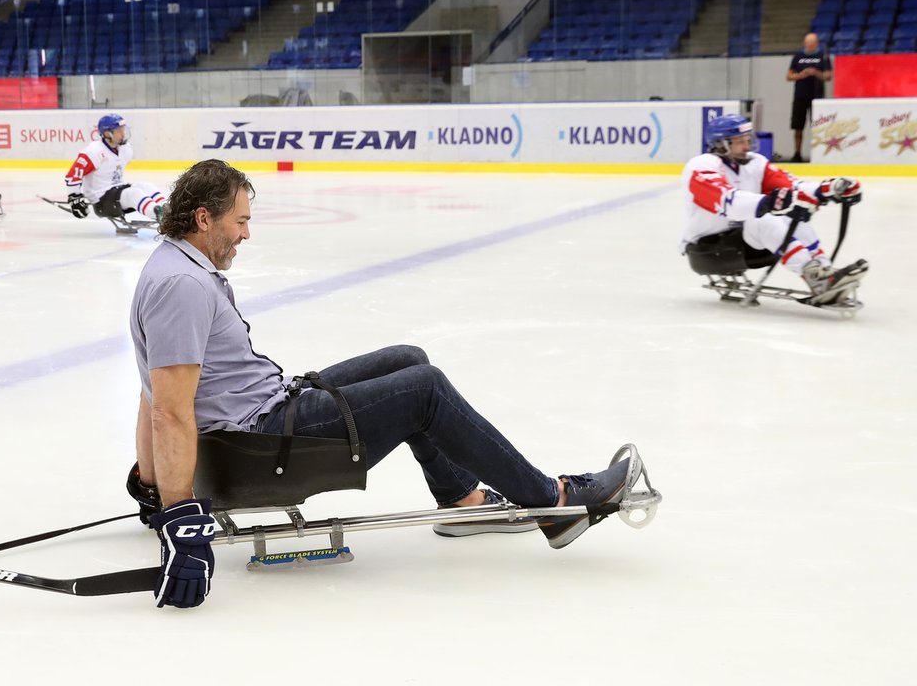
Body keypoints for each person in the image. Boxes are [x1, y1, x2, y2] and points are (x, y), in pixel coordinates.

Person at [128, 159, 643, 610]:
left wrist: (151, 488)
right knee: (424, 388)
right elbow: (167, 410)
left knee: (408, 358)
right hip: (258, 447)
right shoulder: (183, 286)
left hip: (263, 413)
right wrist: (178, 517)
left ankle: (459, 501)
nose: (246, 235)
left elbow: (149, 391)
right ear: (203, 219)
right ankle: (553, 505)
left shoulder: (177, 265)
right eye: (239, 222)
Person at [682, 114, 866, 303]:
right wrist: (769, 202)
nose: (746, 146)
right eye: (739, 141)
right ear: (720, 143)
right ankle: (816, 278)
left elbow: (791, 187)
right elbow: (727, 201)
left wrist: (829, 189)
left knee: (793, 215)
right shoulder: (701, 166)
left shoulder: (755, 163)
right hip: (707, 249)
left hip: (743, 242)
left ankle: (824, 273)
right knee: (764, 219)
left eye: (748, 139)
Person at [63, 114, 165, 223]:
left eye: (123, 130)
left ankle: (169, 209)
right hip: (101, 200)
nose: (123, 134)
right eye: (119, 131)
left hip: (116, 190)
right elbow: (73, 175)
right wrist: (74, 198)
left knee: (145, 186)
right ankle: (161, 216)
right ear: (107, 134)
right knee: (133, 193)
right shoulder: (93, 152)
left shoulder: (125, 149)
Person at [786, 32, 832, 163]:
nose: (810, 45)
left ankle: (818, 153)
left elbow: (828, 76)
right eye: (808, 42)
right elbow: (789, 76)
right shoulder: (798, 56)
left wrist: (816, 73)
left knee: (818, 127)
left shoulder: (822, 56)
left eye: (812, 42)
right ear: (804, 43)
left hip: (817, 97)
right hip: (800, 96)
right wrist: (801, 75)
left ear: (816, 43)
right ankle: (797, 153)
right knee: (798, 127)